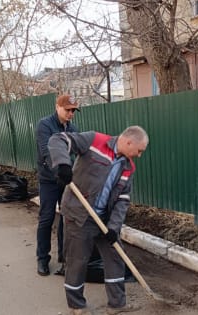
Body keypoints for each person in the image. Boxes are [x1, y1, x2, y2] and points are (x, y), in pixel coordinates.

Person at [48, 126, 149, 315]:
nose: (139, 155)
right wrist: (63, 164)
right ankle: (77, 306)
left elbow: (122, 201)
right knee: (77, 261)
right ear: (129, 142)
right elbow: (59, 139)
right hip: (79, 214)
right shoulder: (94, 141)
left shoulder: (128, 167)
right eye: (139, 150)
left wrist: (113, 228)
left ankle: (117, 304)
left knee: (115, 258)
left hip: (104, 220)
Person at [35, 94, 79, 276]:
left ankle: (64, 258)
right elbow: (47, 152)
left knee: (66, 218)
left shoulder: (72, 128)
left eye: (73, 110)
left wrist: (74, 173)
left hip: (66, 179)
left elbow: (77, 151)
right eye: (67, 109)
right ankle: (42, 259)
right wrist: (59, 172)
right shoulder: (44, 125)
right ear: (57, 107)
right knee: (46, 218)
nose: (70, 113)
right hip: (48, 179)